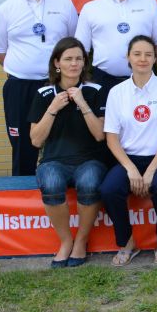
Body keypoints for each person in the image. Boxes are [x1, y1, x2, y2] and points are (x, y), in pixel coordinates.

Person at [0, 0, 78, 176]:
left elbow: (73, 45)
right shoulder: (6, 9)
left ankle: (60, 187)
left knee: (61, 141)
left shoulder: (64, 4)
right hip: (20, 88)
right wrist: (23, 67)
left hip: (56, 86)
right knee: (22, 146)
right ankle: (22, 193)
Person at [29, 37, 107, 267]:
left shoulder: (95, 91)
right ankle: (65, 242)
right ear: (57, 63)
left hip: (89, 160)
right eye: (68, 59)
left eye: (79, 59)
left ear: (84, 63)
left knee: (89, 182)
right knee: (51, 182)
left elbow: (100, 135)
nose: (74, 63)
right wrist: (52, 109)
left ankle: (81, 241)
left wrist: (83, 104)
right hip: (54, 161)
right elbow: (36, 140)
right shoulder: (43, 94)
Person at [100, 36, 157, 266]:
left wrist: (152, 169)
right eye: (137, 54)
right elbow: (111, 138)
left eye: (148, 54)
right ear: (128, 57)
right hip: (129, 159)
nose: (142, 59)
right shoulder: (117, 92)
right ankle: (126, 243)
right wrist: (131, 169)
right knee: (109, 189)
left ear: (155, 58)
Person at [75, 0, 157, 102]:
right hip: (102, 80)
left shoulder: (150, 4)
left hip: (144, 80)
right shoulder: (90, 8)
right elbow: (81, 50)